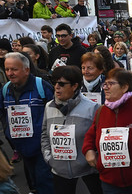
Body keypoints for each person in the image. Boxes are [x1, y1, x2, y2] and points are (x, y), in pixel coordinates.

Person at [40, 66, 102, 194]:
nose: (56, 87)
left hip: (87, 173)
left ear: (74, 86)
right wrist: (50, 159)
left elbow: (98, 139)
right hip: (59, 172)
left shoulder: (92, 108)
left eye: (62, 84)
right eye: (54, 82)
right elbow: (44, 135)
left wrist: (91, 161)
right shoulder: (48, 106)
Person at [0, 52, 55, 194]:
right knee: (34, 183)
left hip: (43, 147)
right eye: (7, 69)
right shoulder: (5, 90)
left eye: (14, 69)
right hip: (22, 146)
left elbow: (56, 112)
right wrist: (8, 132)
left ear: (26, 69)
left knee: (45, 183)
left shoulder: (41, 86)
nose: (10, 73)